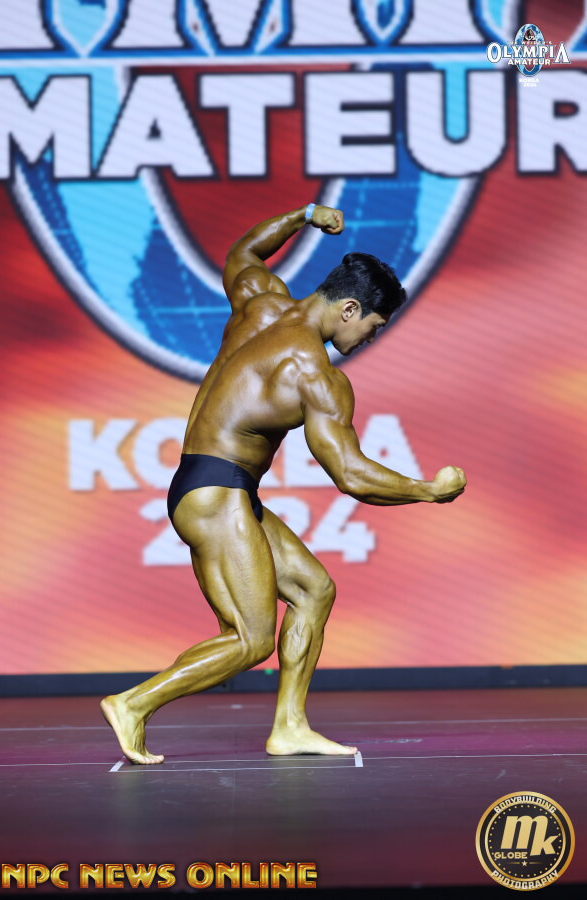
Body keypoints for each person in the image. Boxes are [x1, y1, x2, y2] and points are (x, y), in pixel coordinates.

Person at [101, 204, 466, 765]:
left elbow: (242, 253)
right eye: (373, 326)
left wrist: (304, 215)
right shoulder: (315, 375)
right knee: (250, 639)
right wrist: (427, 491)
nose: (370, 338)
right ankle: (133, 704)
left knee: (313, 590)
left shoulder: (260, 303)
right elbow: (351, 475)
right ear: (349, 308)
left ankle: (290, 726)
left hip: (220, 488)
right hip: (216, 496)